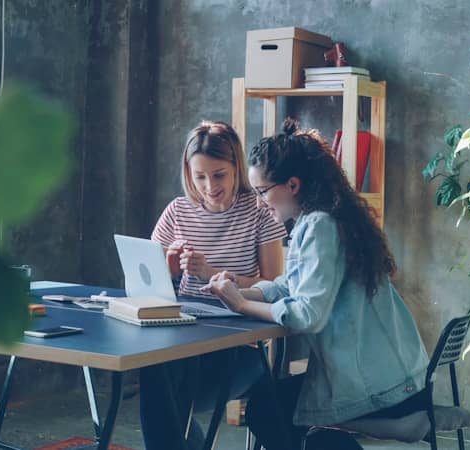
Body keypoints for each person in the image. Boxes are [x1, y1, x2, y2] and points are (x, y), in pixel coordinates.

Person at [203, 118, 430, 450]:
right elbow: (293, 286)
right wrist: (242, 291)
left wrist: (241, 305)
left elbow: (309, 314)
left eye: (263, 191)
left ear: (292, 185)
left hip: (382, 388)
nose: (260, 202)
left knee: (267, 410)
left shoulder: (320, 225)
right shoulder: (321, 219)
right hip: (394, 376)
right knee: (272, 405)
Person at [140, 120, 287, 450]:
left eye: (219, 174)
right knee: (154, 369)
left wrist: (212, 273)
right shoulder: (177, 212)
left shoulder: (261, 212)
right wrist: (171, 271)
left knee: (164, 380)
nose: (209, 186)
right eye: (200, 176)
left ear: (236, 166)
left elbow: (277, 285)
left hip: (240, 349)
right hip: (185, 341)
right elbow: (149, 288)